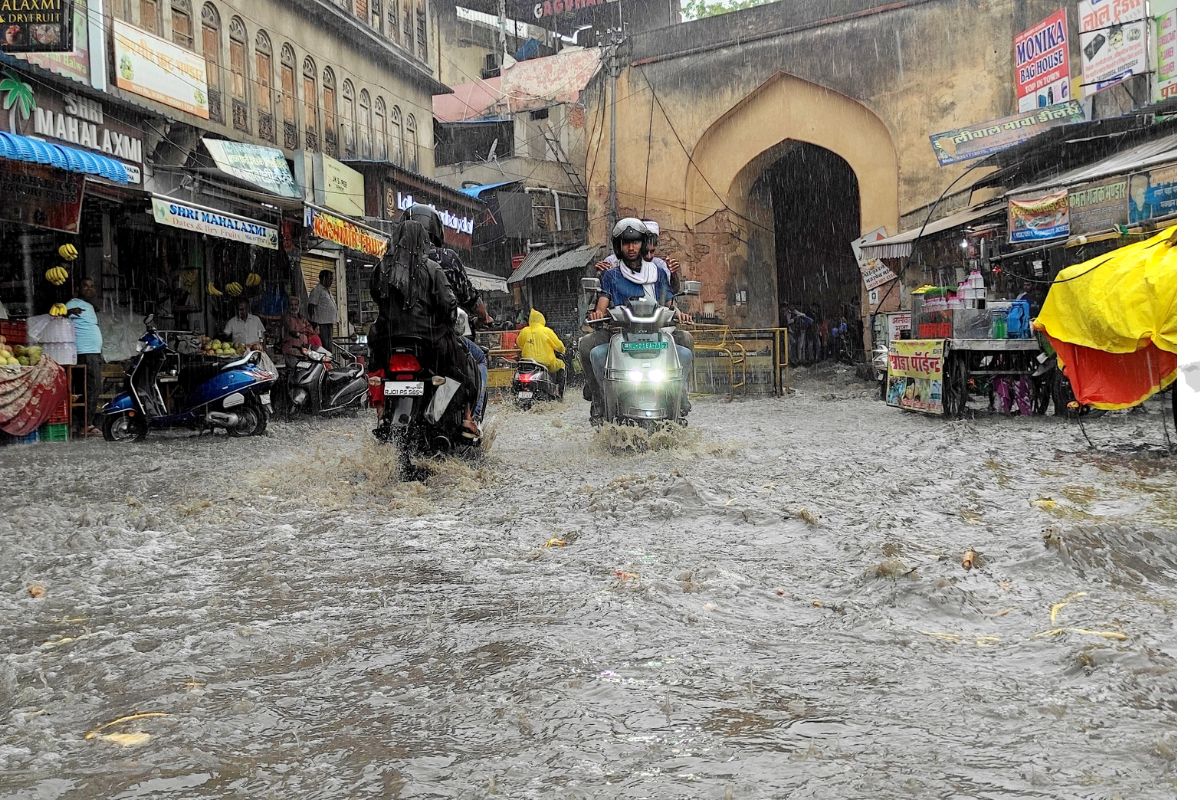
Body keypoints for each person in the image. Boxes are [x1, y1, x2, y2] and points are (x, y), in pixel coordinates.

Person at [371, 220, 481, 437]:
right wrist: (447, 320)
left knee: (377, 371)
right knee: (463, 372)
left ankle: (382, 413)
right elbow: (448, 304)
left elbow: (376, 296)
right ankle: (464, 418)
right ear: (424, 242)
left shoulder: (380, 269)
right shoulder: (432, 268)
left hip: (387, 342)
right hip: (429, 342)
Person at [581, 218, 693, 422]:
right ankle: (599, 400)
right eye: (626, 243)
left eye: (635, 242)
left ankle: (680, 398)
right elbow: (602, 304)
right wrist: (598, 314)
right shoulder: (611, 275)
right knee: (594, 353)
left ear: (643, 243)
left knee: (684, 353)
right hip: (620, 334)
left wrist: (679, 314)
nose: (631, 248)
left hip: (656, 333)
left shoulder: (658, 272)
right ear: (619, 246)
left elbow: (668, 303)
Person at [404, 203, 492, 422]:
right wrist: (485, 317)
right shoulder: (444, 259)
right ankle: (472, 418)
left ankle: (385, 414)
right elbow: (469, 297)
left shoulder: (394, 259)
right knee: (478, 359)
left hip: (397, 337)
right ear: (435, 230)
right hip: (436, 336)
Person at [66, 278, 103, 436]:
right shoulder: (72, 303)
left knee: (85, 389)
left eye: (92, 286)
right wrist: (68, 312)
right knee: (92, 388)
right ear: (77, 289)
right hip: (85, 353)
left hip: (93, 352)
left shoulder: (89, 306)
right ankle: (86, 424)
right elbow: (59, 315)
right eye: (85, 286)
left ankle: (81, 424)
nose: (89, 289)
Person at [517, 308, 567, 396]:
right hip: (545, 363)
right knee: (562, 365)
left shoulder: (524, 331)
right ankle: (559, 392)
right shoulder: (546, 331)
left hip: (527, 363)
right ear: (542, 319)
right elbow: (559, 346)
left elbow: (519, 343)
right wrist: (563, 351)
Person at [307, 269, 337, 349]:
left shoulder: (327, 291)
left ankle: (329, 356)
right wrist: (314, 324)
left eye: (332, 279)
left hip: (328, 322)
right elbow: (311, 306)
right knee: (324, 346)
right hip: (321, 323)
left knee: (329, 345)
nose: (331, 281)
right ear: (323, 278)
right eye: (330, 279)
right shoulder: (317, 290)